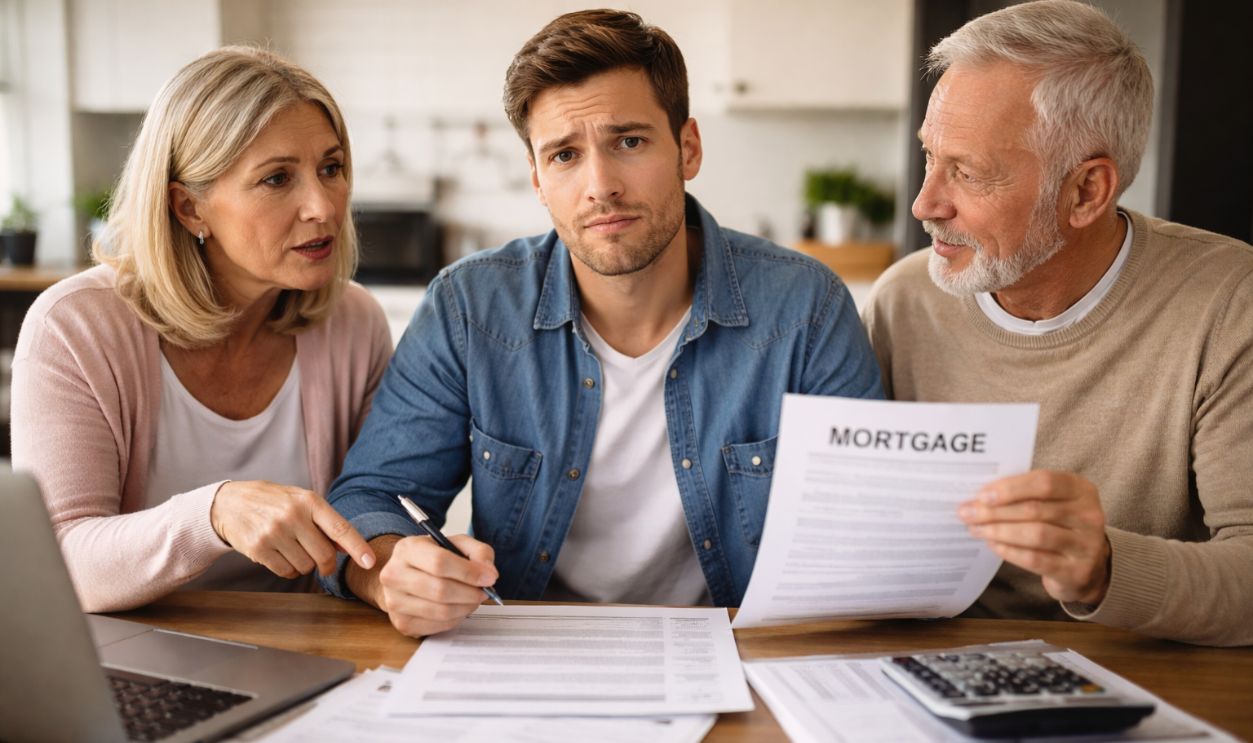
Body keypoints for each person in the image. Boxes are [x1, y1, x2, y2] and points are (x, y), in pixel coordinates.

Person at [320, 9, 883, 637]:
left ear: (688, 148)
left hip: (740, 652)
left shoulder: (806, 307)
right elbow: (369, 499)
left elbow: (866, 527)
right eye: (565, 155)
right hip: (528, 651)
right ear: (537, 178)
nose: (600, 186)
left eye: (630, 141)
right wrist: (394, 571)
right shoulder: (470, 307)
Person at [862, 0, 1253, 646]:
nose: (924, 201)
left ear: (1084, 193)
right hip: (931, 665)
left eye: (965, 170)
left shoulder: (1227, 300)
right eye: (929, 157)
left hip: (1146, 673)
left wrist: (1104, 568)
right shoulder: (903, 301)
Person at [11, 47, 390, 613]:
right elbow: (60, 562)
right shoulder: (75, 327)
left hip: (308, 644)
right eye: (278, 178)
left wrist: (401, 565)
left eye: (330, 169)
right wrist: (211, 514)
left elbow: (373, 506)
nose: (323, 207)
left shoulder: (352, 323)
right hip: (132, 655)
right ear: (189, 208)